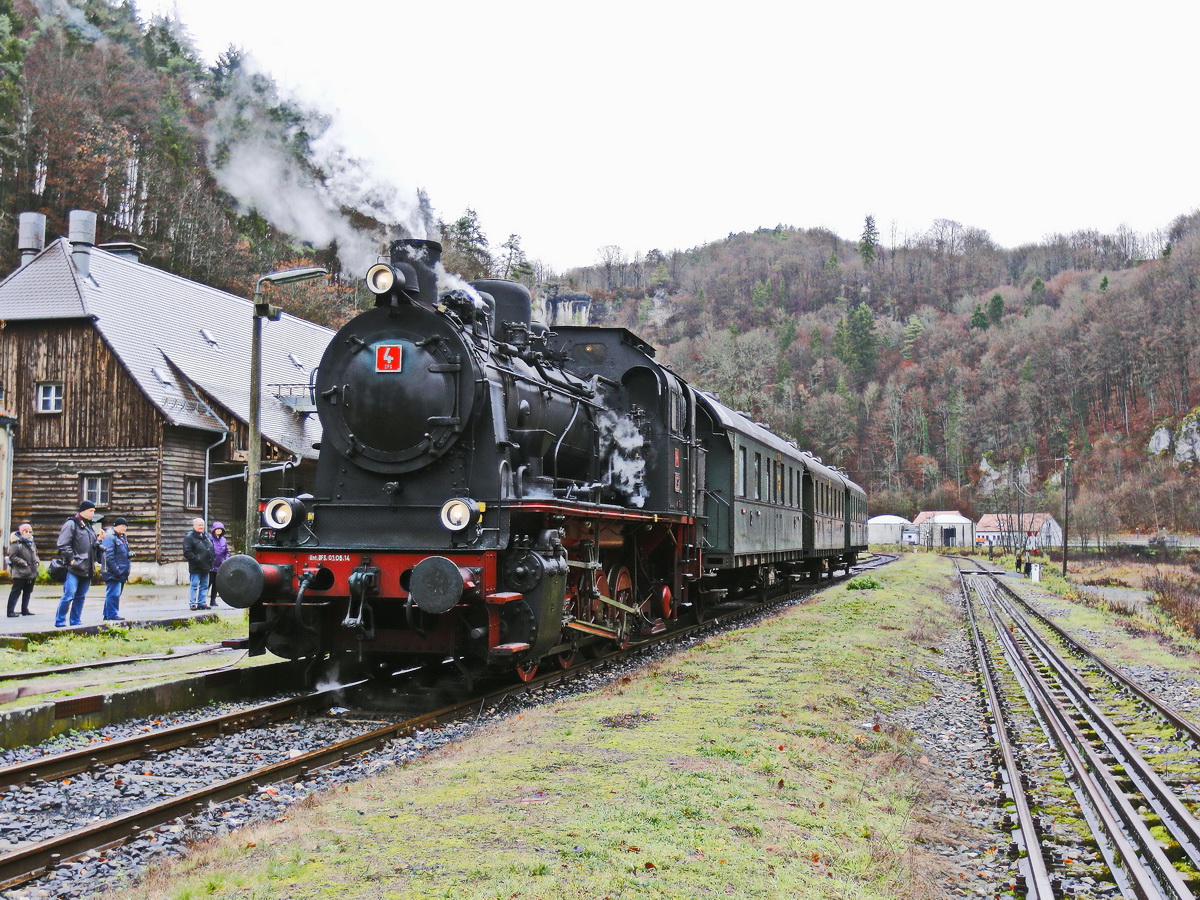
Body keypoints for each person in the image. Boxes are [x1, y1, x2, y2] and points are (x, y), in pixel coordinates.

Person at [56, 500, 101, 627]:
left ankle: (75, 621)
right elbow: (63, 544)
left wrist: (99, 541)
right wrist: (71, 559)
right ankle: (60, 621)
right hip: (74, 567)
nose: (93, 514)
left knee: (80, 597)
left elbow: (91, 545)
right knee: (69, 595)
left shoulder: (88, 526)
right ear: (83, 510)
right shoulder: (71, 523)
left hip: (87, 567)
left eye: (94, 511)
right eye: (91, 511)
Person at [101, 517, 131, 621]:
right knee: (113, 594)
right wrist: (116, 570)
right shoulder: (110, 537)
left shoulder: (122, 538)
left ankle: (107, 614)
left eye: (126, 526)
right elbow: (108, 556)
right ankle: (112, 615)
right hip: (113, 572)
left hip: (121, 572)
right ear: (116, 526)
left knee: (115, 594)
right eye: (123, 526)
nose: (124, 528)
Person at [6, 522, 39, 617]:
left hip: (31, 572)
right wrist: (23, 562)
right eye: (26, 531)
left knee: (28, 592)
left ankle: (25, 610)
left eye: (30, 531)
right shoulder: (16, 543)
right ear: (21, 532)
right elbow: (12, 556)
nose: (28, 533)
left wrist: (37, 561)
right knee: (16, 591)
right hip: (20, 573)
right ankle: (10, 611)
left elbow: (35, 554)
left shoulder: (31, 542)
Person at [182, 517, 214, 611]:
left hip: (206, 565)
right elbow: (187, 552)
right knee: (194, 585)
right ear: (194, 526)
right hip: (196, 566)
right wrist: (197, 559)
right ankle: (192, 603)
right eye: (199, 525)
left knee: (205, 585)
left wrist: (212, 557)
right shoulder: (189, 537)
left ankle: (202, 603)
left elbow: (210, 547)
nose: (201, 527)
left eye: (202, 525)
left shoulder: (206, 536)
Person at [208, 521, 230, 607]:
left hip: (220, 566)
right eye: (217, 529)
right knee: (207, 584)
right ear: (214, 530)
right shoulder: (209, 539)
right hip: (211, 566)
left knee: (216, 585)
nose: (219, 531)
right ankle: (201, 601)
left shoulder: (223, 540)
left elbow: (227, 552)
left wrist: (226, 560)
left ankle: (213, 601)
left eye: (220, 529)